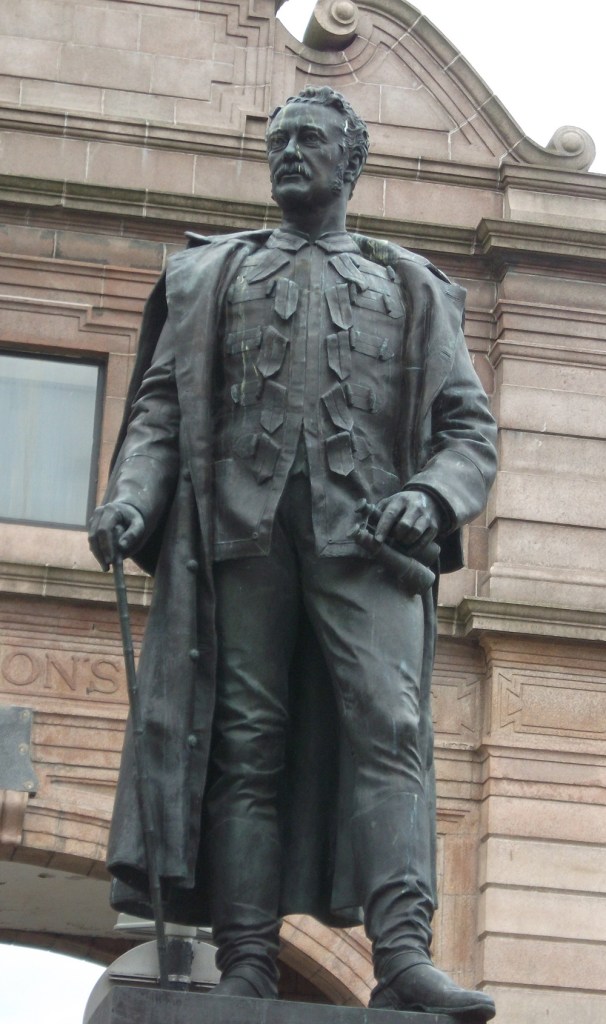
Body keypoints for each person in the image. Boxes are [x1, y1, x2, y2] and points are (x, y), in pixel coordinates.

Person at [89, 86, 497, 1019]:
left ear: (351, 162)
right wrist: (131, 498)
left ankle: (403, 957)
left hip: (371, 547)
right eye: (278, 140)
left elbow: (468, 431)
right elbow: (160, 411)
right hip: (241, 539)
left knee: (391, 731)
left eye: (309, 139)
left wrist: (431, 497)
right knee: (246, 747)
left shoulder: (410, 285)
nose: (289, 152)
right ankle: (246, 962)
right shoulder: (209, 276)